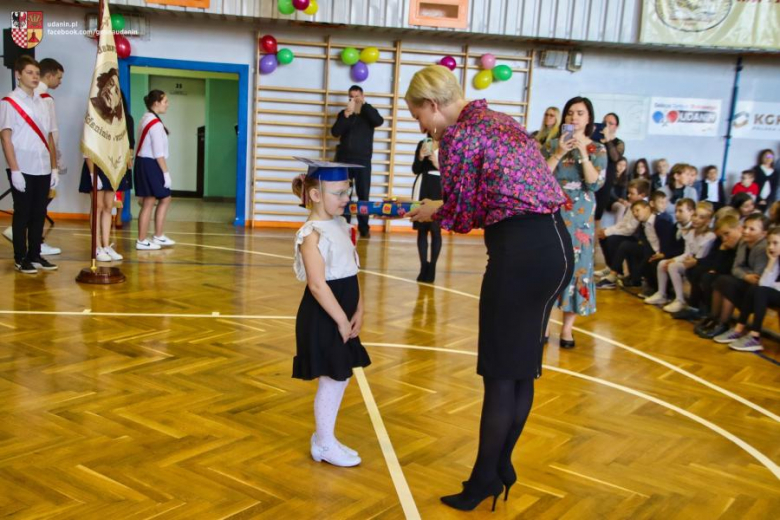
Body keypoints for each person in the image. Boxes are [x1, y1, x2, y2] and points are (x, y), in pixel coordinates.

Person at [404, 65, 573, 512]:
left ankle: (483, 480)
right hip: (555, 248)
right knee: (520, 370)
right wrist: (446, 205)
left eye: (419, 116)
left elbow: (462, 216)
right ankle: (500, 467)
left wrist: (432, 211)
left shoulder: (458, 136)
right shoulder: (500, 120)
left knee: (499, 376)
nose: (421, 127)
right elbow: (485, 201)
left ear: (434, 105)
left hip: (520, 256)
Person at [291, 159, 371, 468]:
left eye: (347, 192)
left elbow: (352, 269)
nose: (345, 199)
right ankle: (323, 443)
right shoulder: (311, 234)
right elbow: (317, 285)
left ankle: (325, 438)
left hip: (344, 313)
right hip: (324, 316)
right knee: (333, 379)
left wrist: (359, 308)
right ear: (315, 195)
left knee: (340, 377)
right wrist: (340, 319)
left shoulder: (341, 224)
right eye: (338, 193)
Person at [545, 96, 606, 344]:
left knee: (578, 267)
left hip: (581, 217)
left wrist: (582, 151)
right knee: (549, 268)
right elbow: (538, 177)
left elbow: (594, 183)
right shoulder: (551, 145)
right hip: (552, 212)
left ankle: (567, 328)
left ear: (589, 118)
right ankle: (544, 325)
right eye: (570, 112)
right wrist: (560, 152)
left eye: (580, 113)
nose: (574, 117)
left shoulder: (598, 150)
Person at [0, 56, 58, 274]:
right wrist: (14, 170)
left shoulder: (44, 103)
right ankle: (20, 257)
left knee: (38, 212)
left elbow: (50, 137)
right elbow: (5, 137)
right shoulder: (9, 101)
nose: (34, 77)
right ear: (18, 75)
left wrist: (53, 167)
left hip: (42, 165)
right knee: (22, 213)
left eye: (36, 73)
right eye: (29, 72)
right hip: (22, 166)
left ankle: (35, 254)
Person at [697, 213, 768, 339]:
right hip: (745, 281)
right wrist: (745, 275)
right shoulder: (744, 244)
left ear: (763, 234)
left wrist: (743, 273)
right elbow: (735, 268)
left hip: (757, 288)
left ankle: (723, 322)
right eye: (745, 227)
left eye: (751, 229)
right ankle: (715, 317)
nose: (746, 231)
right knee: (721, 281)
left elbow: (757, 276)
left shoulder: (762, 248)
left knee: (725, 282)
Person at [330, 85, 384, 238]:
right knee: (344, 194)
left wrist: (365, 105)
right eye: (351, 97)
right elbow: (335, 132)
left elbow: (379, 121)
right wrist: (346, 115)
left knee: (363, 195)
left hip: (363, 161)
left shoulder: (368, 112)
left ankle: (364, 227)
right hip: (344, 160)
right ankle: (344, 225)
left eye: (356, 96)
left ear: (362, 96)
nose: (354, 99)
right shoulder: (344, 114)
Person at [644, 201, 716, 312]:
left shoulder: (709, 236)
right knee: (663, 263)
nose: (696, 219)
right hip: (689, 260)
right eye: (695, 215)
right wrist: (672, 259)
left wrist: (678, 262)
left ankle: (680, 300)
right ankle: (661, 293)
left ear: (708, 221)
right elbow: (687, 253)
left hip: (699, 264)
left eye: (701, 217)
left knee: (673, 267)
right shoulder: (691, 233)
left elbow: (699, 257)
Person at [720, 226, 780, 352]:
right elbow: (764, 283)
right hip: (774, 293)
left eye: (775, 243)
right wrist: (772, 261)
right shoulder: (776, 259)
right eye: (769, 243)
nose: (770, 247)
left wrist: (772, 285)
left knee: (760, 290)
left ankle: (755, 336)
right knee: (756, 288)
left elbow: (768, 286)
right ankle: (739, 329)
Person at [134, 90, 175, 250]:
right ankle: (143, 240)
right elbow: (158, 153)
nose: (167, 104)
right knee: (151, 201)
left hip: (145, 162)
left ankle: (157, 236)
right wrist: (166, 174)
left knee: (158, 199)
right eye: (165, 101)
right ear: (156, 103)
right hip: (150, 163)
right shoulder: (155, 124)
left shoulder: (147, 118)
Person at [595, 178, 651, 289]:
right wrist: (606, 231)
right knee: (604, 237)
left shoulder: (642, 207)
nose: (629, 196)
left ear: (642, 195)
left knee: (613, 240)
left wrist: (608, 232)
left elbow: (630, 229)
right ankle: (611, 268)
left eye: (632, 193)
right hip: (628, 234)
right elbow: (623, 223)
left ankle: (615, 274)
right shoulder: (632, 205)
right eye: (628, 193)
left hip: (635, 237)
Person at [411, 135, 442, 282]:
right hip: (423, 185)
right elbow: (415, 169)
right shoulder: (422, 144)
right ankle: (423, 266)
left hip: (440, 187)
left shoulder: (448, 145)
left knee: (436, 230)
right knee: (422, 229)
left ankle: (433, 267)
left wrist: (438, 164)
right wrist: (420, 156)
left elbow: (454, 171)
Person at [594, 112, 625, 228]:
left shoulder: (618, 143)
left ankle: (596, 243)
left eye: (610, 123)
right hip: (593, 176)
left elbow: (615, 157)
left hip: (606, 179)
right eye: (604, 123)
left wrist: (607, 140)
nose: (606, 125)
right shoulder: (595, 139)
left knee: (598, 213)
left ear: (616, 127)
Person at [607, 156, 630, 222]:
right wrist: (619, 200)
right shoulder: (610, 175)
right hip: (610, 200)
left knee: (630, 206)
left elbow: (624, 191)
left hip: (620, 200)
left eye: (624, 165)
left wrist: (624, 200)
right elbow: (610, 192)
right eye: (619, 164)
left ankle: (627, 229)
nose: (622, 167)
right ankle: (617, 228)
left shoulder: (625, 177)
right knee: (621, 207)